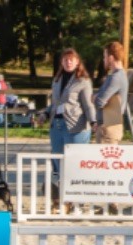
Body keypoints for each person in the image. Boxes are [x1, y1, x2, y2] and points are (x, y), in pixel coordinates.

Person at [48, 48, 96, 211]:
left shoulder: (83, 81)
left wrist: (94, 121)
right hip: (57, 125)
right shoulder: (57, 80)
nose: (68, 62)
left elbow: (88, 105)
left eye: (71, 60)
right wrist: (45, 113)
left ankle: (78, 201)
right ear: (62, 62)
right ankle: (60, 200)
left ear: (77, 62)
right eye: (65, 60)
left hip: (76, 126)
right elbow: (55, 104)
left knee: (75, 165)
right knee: (57, 163)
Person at [93, 41, 128, 145]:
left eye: (105, 57)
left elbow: (99, 102)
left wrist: (95, 97)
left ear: (111, 58)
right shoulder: (117, 76)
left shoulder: (116, 78)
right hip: (106, 126)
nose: (104, 60)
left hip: (108, 129)